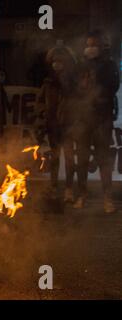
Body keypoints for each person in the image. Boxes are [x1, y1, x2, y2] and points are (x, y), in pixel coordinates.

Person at [74, 31, 120, 213]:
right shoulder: (81, 66)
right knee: (82, 158)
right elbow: (74, 89)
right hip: (83, 119)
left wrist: (96, 85)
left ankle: (107, 198)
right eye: (88, 44)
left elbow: (113, 86)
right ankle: (82, 194)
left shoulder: (109, 65)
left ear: (101, 47)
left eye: (94, 44)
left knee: (103, 159)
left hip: (102, 118)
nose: (90, 47)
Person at [35, 46, 80, 202]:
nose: (57, 64)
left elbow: (80, 103)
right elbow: (39, 102)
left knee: (69, 159)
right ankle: (54, 187)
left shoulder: (74, 83)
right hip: (53, 126)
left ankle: (69, 189)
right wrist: (42, 114)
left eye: (60, 61)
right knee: (54, 158)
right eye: (54, 61)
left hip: (69, 126)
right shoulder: (48, 83)